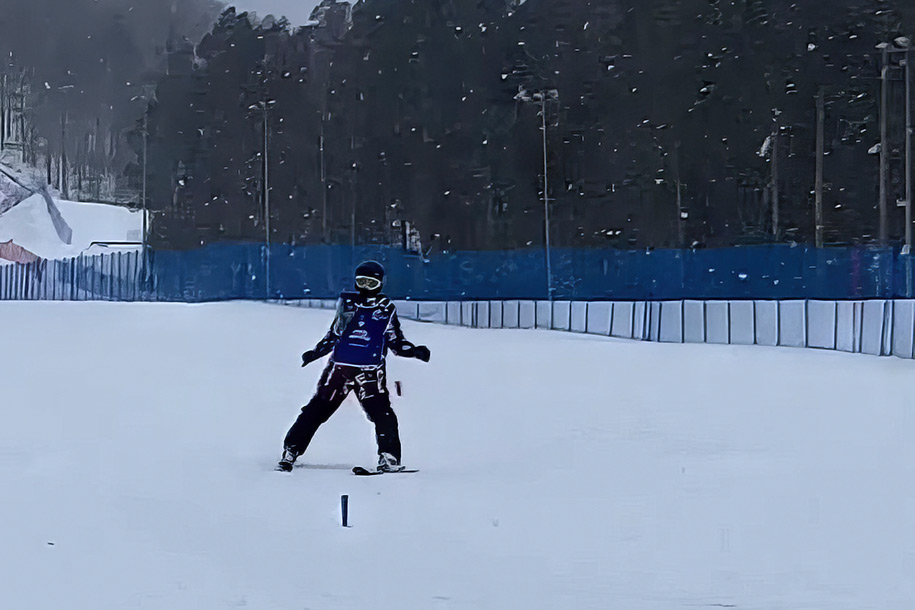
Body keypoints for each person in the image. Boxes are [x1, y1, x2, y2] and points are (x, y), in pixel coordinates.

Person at [277, 261, 431, 472]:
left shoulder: (385, 309)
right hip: (339, 371)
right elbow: (335, 333)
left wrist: (414, 351)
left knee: (382, 415)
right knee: (317, 410)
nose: (366, 288)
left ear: (380, 283)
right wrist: (316, 352)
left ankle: (389, 457)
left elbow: (396, 341)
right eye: (362, 282)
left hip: (370, 373)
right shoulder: (349, 304)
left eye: (371, 282)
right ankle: (291, 450)